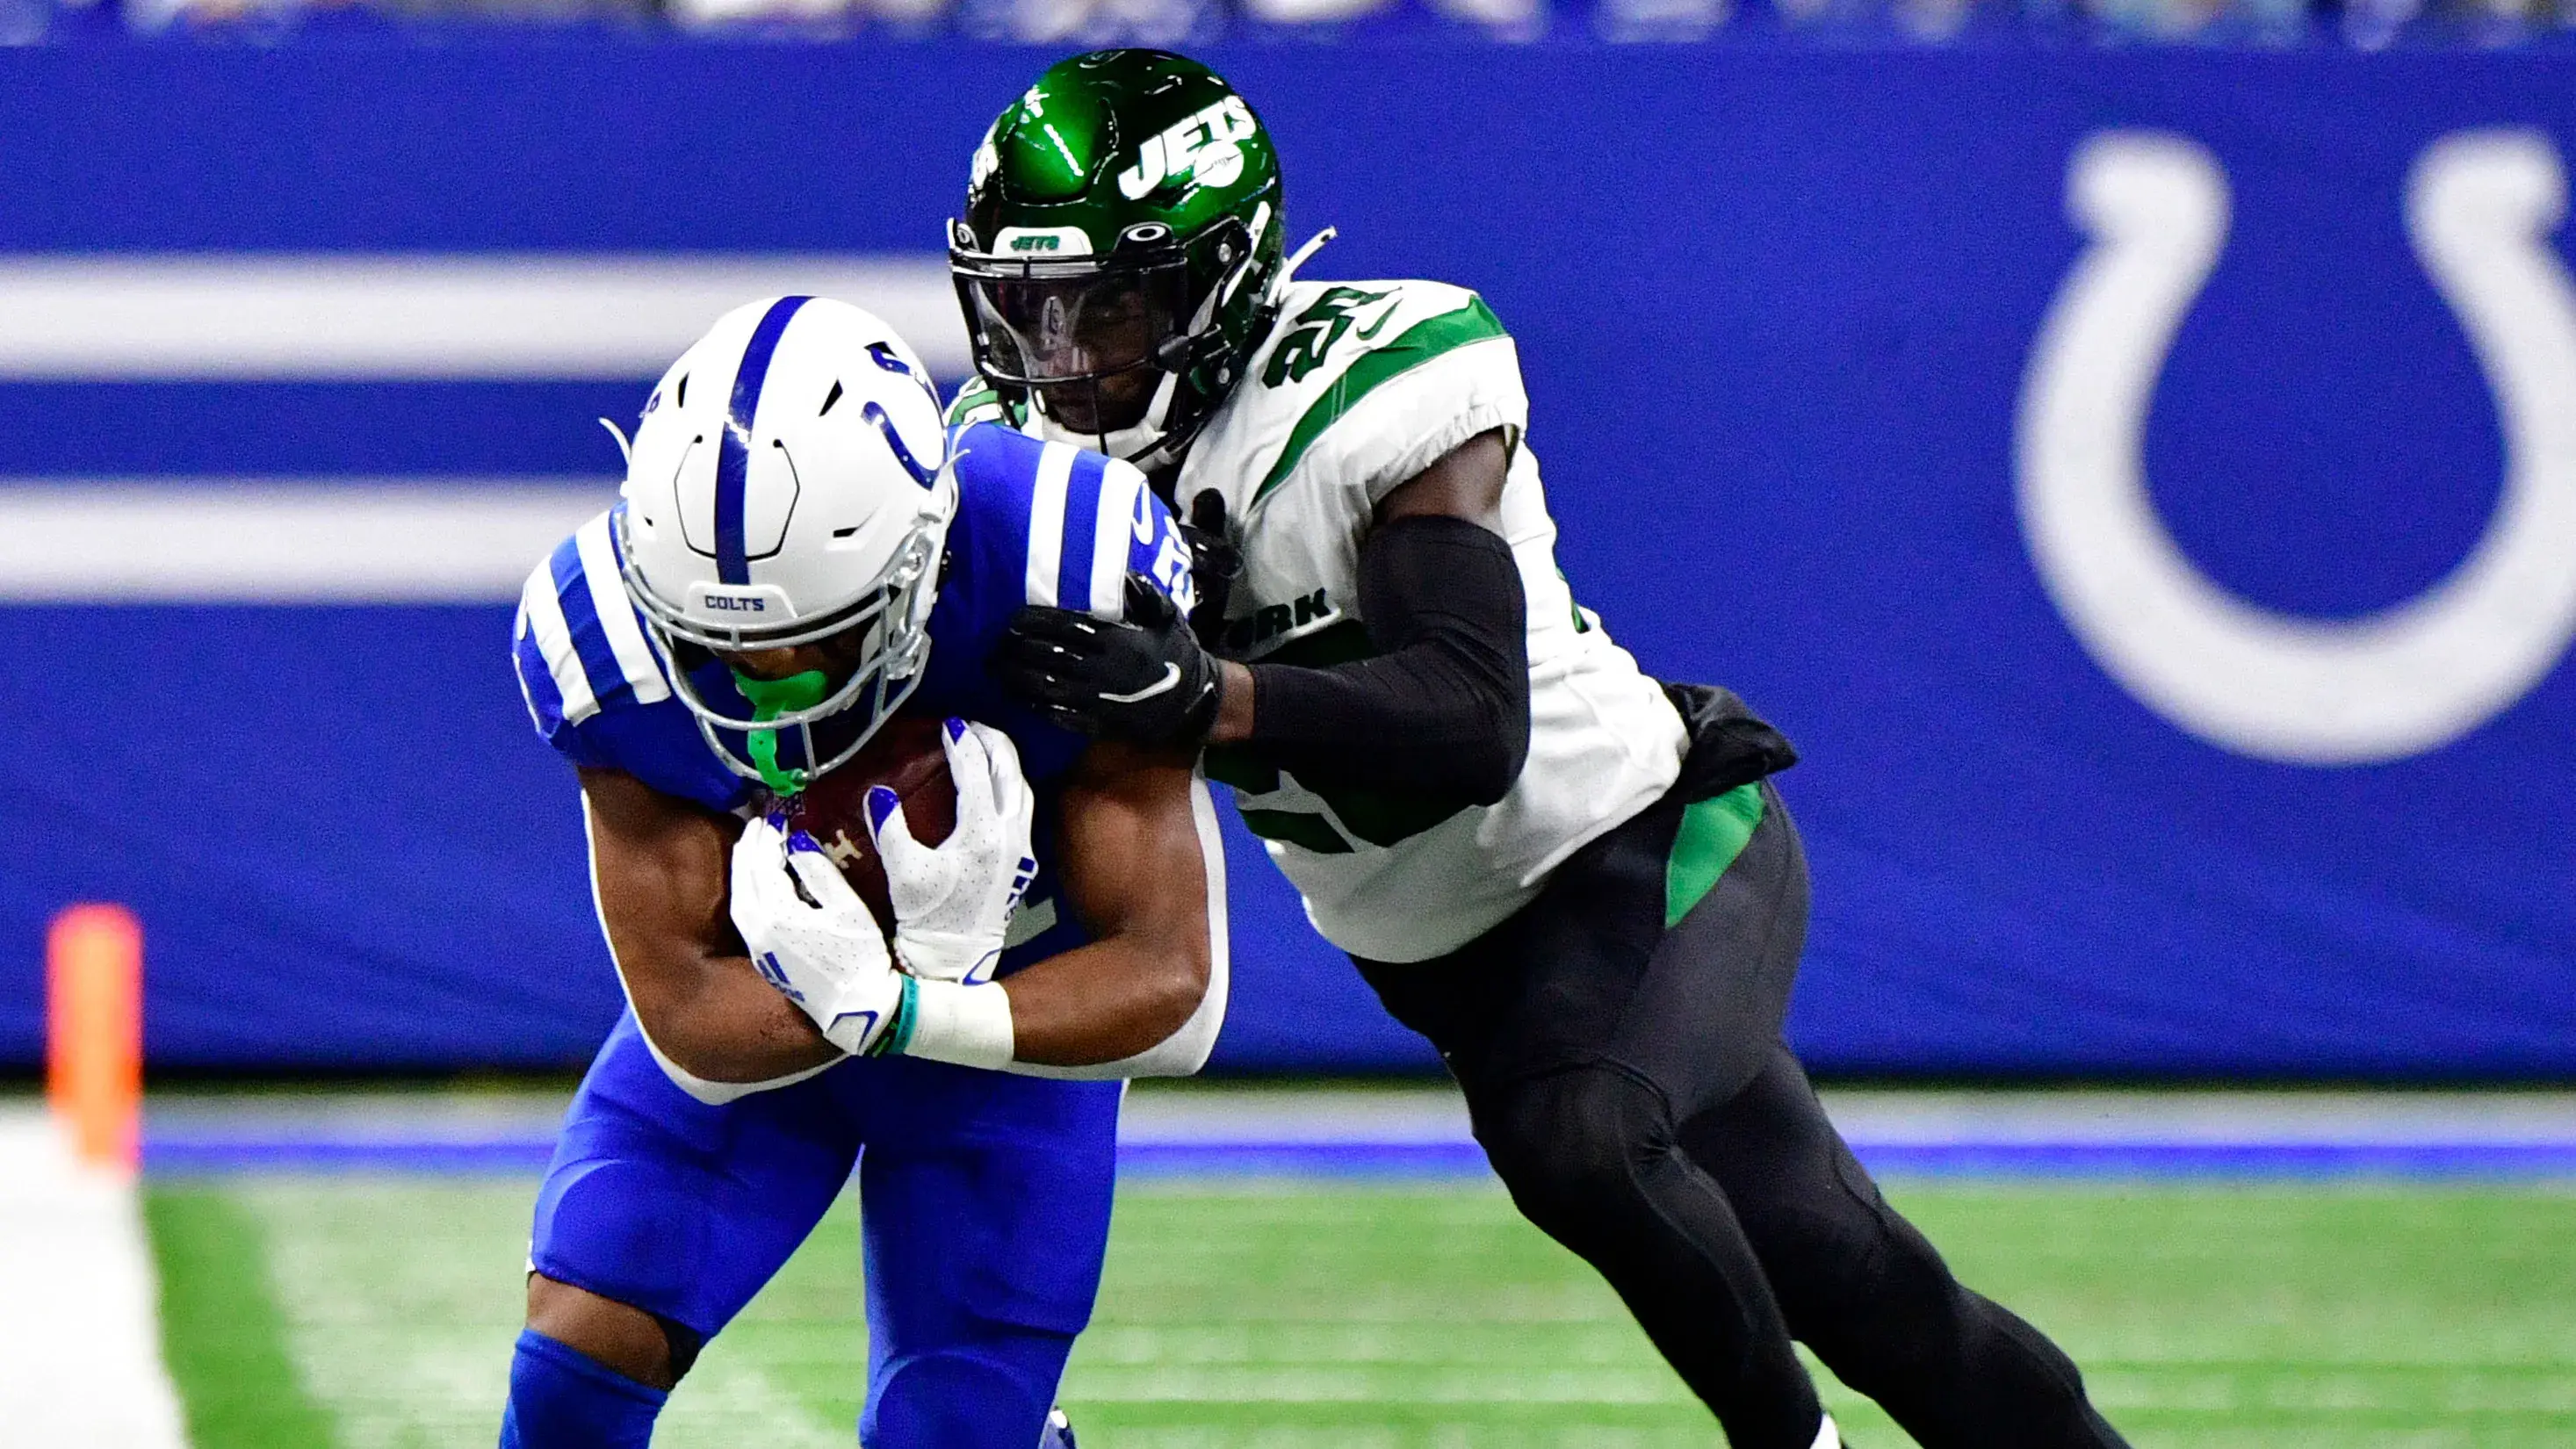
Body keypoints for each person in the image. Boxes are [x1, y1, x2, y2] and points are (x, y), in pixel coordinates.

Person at [960, 48, 2131, 1449]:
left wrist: (1210, 694)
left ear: (1217, 281)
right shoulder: (1019, 468)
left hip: (1647, 853)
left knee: (1579, 1136)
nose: (1069, 357)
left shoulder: (1364, 389)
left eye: (1111, 306)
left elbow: (1468, 718)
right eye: (1032, 313)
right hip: (1460, 964)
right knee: (1859, 1280)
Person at [500, 293, 1226, 1449]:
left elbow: (1172, 987)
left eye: (809, 636)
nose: (763, 681)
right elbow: (687, 1007)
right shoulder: (608, 644)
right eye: (714, 646)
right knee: (582, 1345)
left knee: (950, 1425)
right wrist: (871, 1007)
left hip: (1016, 1042)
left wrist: (917, 1008)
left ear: (922, 564)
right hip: (771, 1015)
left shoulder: (1058, 566)